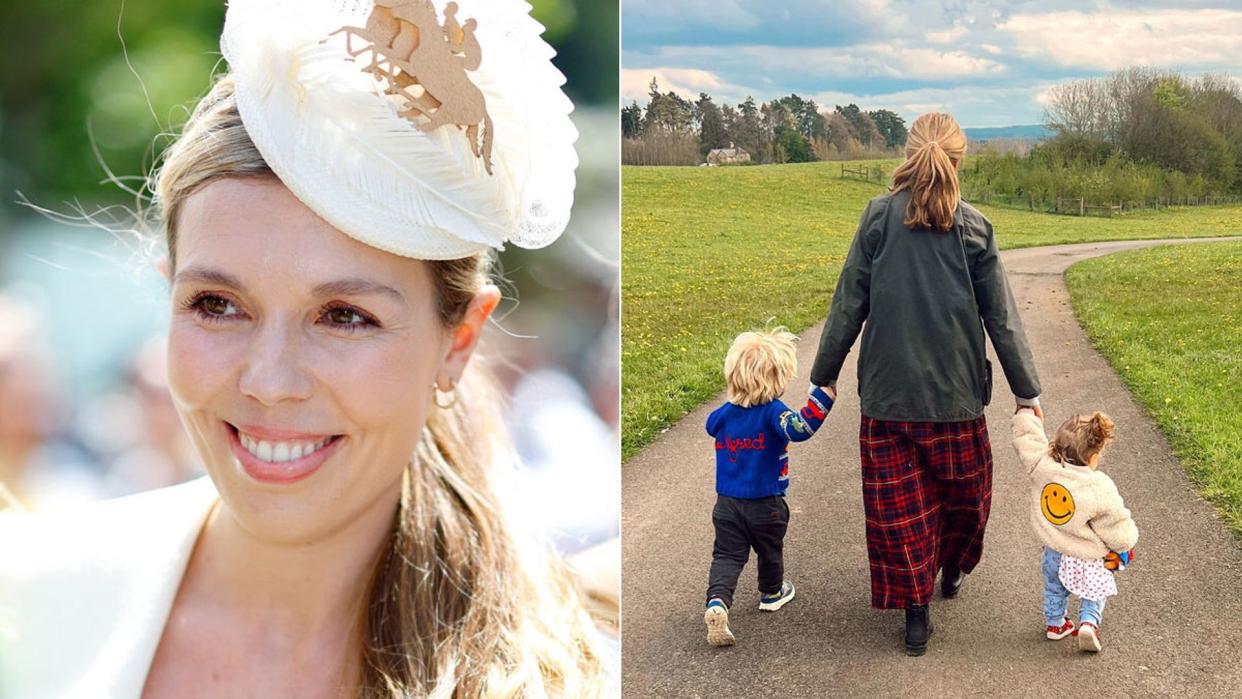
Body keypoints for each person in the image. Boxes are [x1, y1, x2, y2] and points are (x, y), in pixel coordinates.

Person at [0, 1, 612, 696]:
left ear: (459, 341)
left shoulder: (568, 676)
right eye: (218, 305)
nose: (269, 379)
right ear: (167, 295)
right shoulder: (25, 609)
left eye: (343, 316)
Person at [809, 112, 1042, 656]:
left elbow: (849, 304)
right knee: (967, 499)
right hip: (957, 400)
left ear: (907, 154)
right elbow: (1001, 319)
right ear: (959, 160)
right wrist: (1026, 395)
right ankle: (953, 567)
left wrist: (825, 376)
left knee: (901, 507)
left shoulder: (876, 218)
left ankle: (916, 610)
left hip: (887, 400)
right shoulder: (975, 227)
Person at [703, 328, 835, 647]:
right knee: (769, 549)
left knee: (727, 555)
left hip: (727, 504)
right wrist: (823, 398)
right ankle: (772, 592)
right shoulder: (773, 412)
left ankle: (717, 602)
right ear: (779, 378)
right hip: (766, 504)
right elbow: (800, 428)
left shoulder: (724, 415)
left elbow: (710, 425)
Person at [1013, 409, 1138, 653]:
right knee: (1093, 591)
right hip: (1086, 557)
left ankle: (1055, 624)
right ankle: (1089, 623)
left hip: (1053, 550)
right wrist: (1125, 545)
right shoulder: (1097, 486)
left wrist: (1026, 413)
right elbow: (1115, 524)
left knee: (1053, 587)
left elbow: (1028, 440)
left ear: (1056, 446)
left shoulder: (1042, 465)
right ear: (1093, 457)